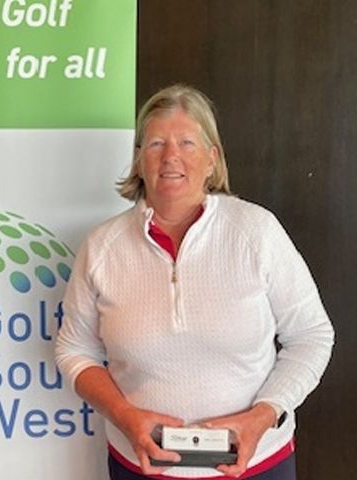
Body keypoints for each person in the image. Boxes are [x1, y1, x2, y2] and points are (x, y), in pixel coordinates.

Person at [55, 84, 334, 480]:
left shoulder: (257, 232)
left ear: (212, 159)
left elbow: (311, 335)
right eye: (156, 144)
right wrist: (123, 415)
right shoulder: (102, 247)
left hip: (256, 466)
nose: (171, 156)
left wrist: (263, 415)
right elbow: (74, 349)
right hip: (140, 467)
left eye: (187, 142)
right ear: (138, 160)